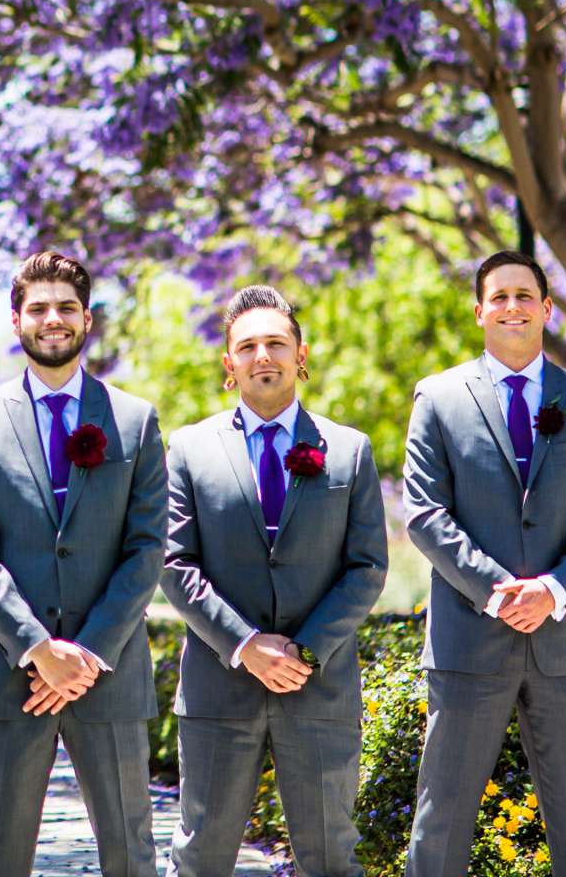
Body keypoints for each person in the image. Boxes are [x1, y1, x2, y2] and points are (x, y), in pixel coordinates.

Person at [404, 251, 566, 877]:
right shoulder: (438, 398)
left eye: (524, 295)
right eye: (498, 297)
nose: (512, 307)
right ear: (479, 310)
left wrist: (554, 589)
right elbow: (424, 514)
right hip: (470, 640)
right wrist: (499, 589)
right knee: (441, 820)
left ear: (547, 309)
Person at [0, 249, 167, 877]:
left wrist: (89, 651)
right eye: (37, 308)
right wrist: (38, 648)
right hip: (11, 675)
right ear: (16, 321)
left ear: (87, 319)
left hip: (111, 673)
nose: (53, 319)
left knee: (130, 853)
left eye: (66, 307)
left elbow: (147, 546)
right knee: (2, 856)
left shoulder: (135, 419)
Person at [161, 285, 387, 877]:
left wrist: (303, 650)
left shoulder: (349, 450)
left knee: (332, 858)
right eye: (249, 346)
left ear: (301, 355)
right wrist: (245, 645)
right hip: (218, 688)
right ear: (229, 364)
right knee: (201, 856)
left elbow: (367, 567)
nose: (264, 355)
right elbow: (174, 563)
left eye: (276, 343)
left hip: (320, 689)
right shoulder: (187, 450)